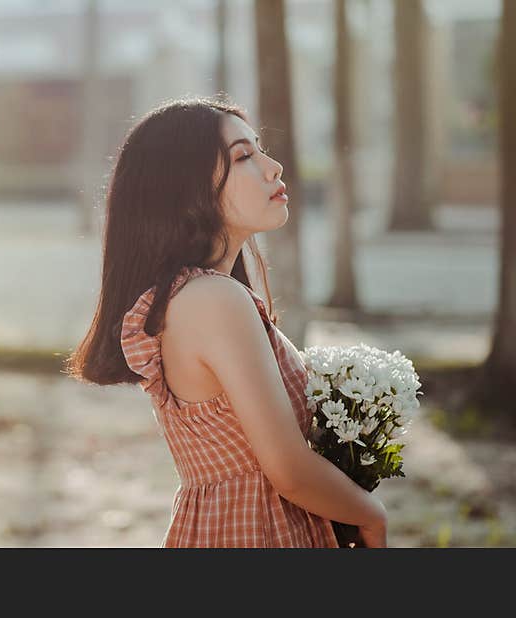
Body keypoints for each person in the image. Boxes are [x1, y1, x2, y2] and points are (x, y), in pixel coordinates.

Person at [65, 96, 387, 548]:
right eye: (243, 156)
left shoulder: (191, 296)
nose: (273, 167)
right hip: (256, 533)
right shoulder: (212, 299)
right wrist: (371, 516)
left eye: (260, 149)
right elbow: (288, 470)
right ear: (186, 190)